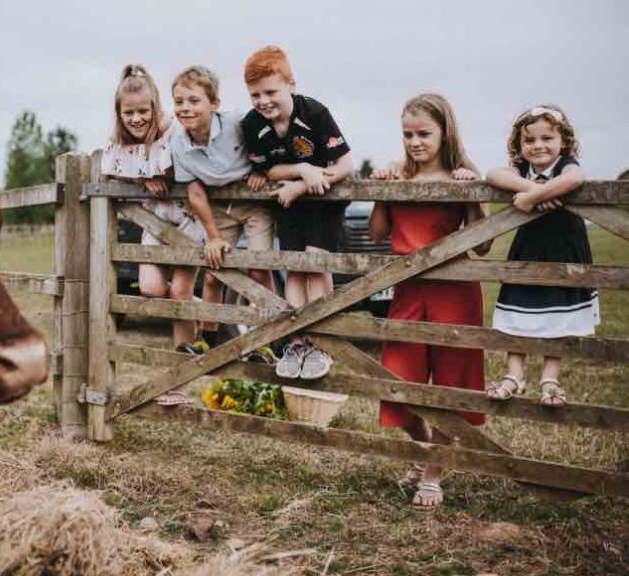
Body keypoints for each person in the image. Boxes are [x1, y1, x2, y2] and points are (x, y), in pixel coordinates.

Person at [368, 93, 491, 509]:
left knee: (451, 383)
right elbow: (378, 232)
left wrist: (471, 193)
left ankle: (434, 471)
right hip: (408, 288)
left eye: (424, 134)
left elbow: (485, 246)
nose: (415, 142)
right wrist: (383, 190)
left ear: (444, 132)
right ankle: (422, 452)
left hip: (454, 291)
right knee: (398, 379)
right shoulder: (397, 174)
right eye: (408, 134)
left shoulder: (462, 176)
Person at [240, 45, 354, 380]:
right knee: (294, 269)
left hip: (324, 203)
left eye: (271, 91)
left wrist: (302, 185)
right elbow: (269, 171)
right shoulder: (253, 124)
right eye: (255, 95)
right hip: (288, 205)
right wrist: (303, 169)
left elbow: (344, 165)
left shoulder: (314, 113)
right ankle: (297, 341)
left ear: (291, 84)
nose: (264, 101)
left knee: (314, 266)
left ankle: (320, 340)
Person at [485, 105, 597, 407]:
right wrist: (535, 188)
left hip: (564, 249)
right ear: (519, 145)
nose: (538, 146)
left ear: (564, 141)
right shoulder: (522, 170)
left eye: (547, 138)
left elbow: (575, 179)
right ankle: (515, 374)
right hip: (528, 250)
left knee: (559, 317)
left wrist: (533, 198)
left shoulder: (566, 166)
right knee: (517, 311)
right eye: (529, 141)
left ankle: (550, 377)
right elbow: (492, 174)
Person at [100, 64, 212, 360]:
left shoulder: (172, 131)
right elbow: (108, 166)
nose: (136, 119)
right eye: (129, 113)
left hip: (188, 220)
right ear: (119, 113)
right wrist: (142, 176)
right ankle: (198, 308)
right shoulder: (118, 143)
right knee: (150, 288)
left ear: (154, 107)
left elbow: (186, 163)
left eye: (142, 112)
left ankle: (183, 357)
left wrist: (156, 172)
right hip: (154, 221)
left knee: (179, 294)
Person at [170, 65, 277, 363]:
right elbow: (194, 192)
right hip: (218, 208)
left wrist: (260, 170)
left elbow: (266, 145)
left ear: (214, 104)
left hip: (254, 203)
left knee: (258, 268)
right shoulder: (178, 143)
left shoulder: (237, 123)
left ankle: (263, 339)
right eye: (179, 102)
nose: (185, 108)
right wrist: (213, 237)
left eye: (194, 101)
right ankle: (209, 339)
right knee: (215, 272)